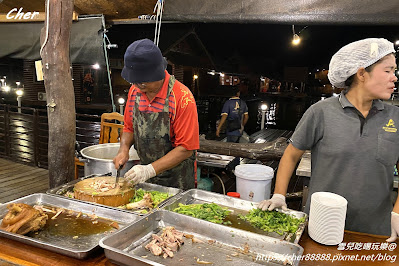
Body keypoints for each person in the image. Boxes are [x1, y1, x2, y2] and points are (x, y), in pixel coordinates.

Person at [259, 38, 399, 240]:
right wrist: (280, 195)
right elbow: (290, 155)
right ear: (361, 73)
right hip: (322, 227)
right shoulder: (320, 113)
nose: (394, 77)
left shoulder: (395, 117)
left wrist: (396, 213)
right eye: (388, 70)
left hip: (376, 231)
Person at [113, 39, 199, 190]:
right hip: (146, 177)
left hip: (176, 179)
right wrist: (124, 149)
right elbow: (129, 127)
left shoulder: (182, 97)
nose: (137, 87)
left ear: (157, 74)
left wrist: (149, 170)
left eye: (142, 83)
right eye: (135, 82)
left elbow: (186, 148)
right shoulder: (135, 91)